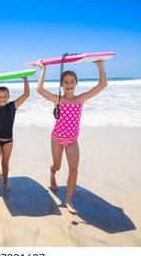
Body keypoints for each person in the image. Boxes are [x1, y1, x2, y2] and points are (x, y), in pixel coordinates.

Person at [36, 60, 107, 214]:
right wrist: (44, 69)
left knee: (73, 170)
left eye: (72, 81)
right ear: (61, 84)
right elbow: (40, 89)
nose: (69, 84)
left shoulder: (81, 99)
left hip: (72, 140)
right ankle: (52, 173)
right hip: (57, 138)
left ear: (76, 83)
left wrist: (100, 65)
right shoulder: (58, 99)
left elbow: (102, 85)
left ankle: (68, 200)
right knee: (57, 166)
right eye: (66, 81)